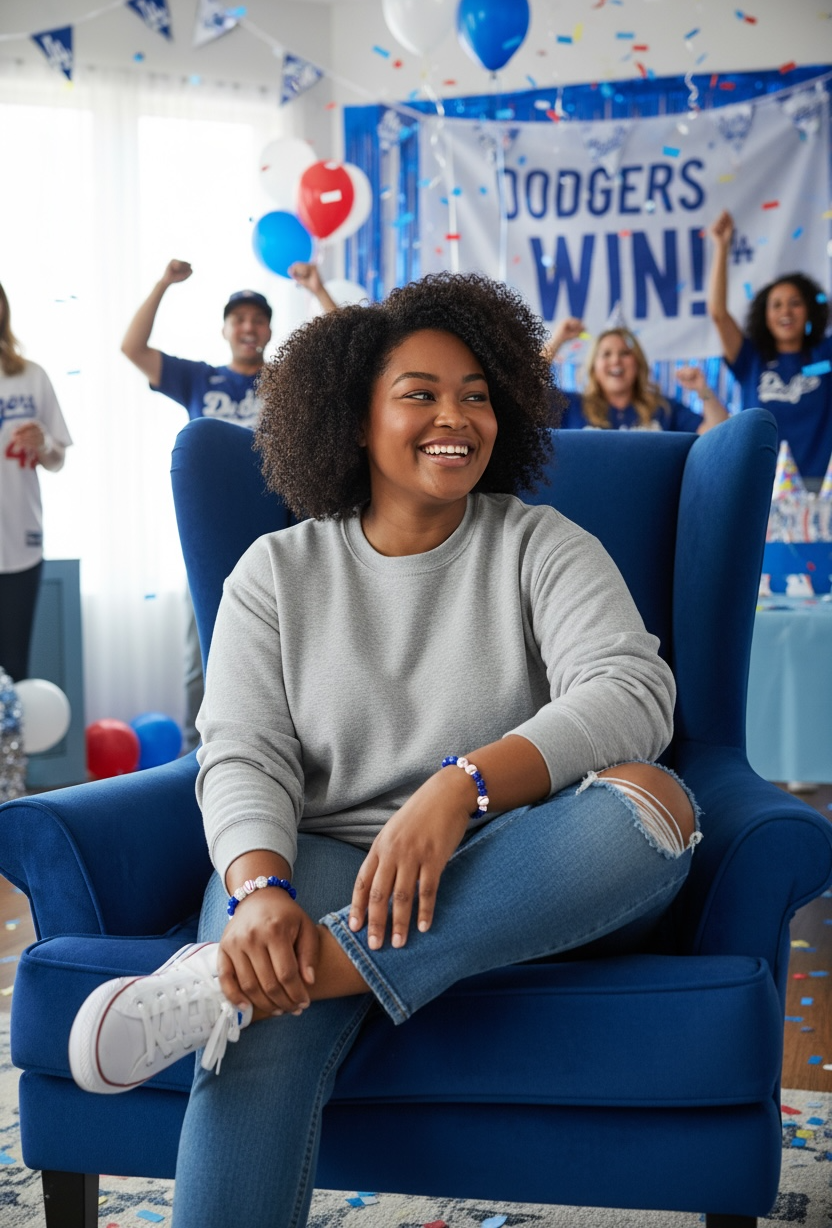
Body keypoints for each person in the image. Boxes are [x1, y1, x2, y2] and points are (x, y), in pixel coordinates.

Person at [70, 272, 702, 1228]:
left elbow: (633, 691)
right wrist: (258, 893)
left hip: (512, 861)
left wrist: (463, 789)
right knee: (262, 1031)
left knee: (656, 805)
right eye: (421, 393)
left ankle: (252, 984)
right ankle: (267, 969)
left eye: (478, 395)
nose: (458, 416)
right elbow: (241, 752)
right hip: (320, 858)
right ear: (353, 418)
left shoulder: (543, 544)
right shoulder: (275, 574)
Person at [120, 258, 337, 748]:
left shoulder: (288, 381)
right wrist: (162, 282)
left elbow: (347, 356)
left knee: (287, 648)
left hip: (281, 529)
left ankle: (287, 749)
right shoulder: (199, 379)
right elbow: (132, 348)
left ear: (268, 330)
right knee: (205, 646)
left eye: (257, 319)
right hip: (215, 527)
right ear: (224, 329)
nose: (248, 326)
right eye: (238, 319)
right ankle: (201, 756)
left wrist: (318, 290)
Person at [707, 209, 832, 485]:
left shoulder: (825, 355)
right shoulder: (751, 359)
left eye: (795, 303)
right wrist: (721, 247)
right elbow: (718, 313)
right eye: (776, 304)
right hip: (761, 487)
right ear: (764, 316)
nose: (786, 311)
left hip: (821, 490)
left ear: (810, 311)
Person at [0, 281, 72, 683]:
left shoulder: (30, 376)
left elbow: (57, 459)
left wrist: (44, 443)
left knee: (15, 671)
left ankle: (11, 749)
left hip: (20, 544)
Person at [543, 317, 728, 433]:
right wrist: (557, 339)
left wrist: (703, 390)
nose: (616, 361)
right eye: (606, 354)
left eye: (625, 353)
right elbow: (525, 386)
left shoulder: (663, 408)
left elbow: (718, 433)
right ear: (593, 368)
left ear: (637, 363)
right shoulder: (571, 406)